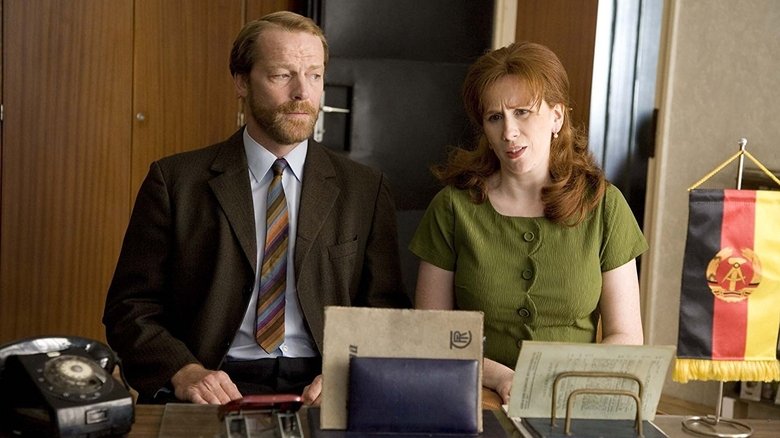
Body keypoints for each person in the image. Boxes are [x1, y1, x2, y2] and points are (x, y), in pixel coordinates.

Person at [103, 11, 409, 406]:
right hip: (210, 383)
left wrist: (349, 373)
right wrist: (183, 371)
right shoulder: (175, 181)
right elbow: (130, 308)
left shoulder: (364, 189)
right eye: (282, 75)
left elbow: (386, 312)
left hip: (323, 385)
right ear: (241, 82)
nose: (302, 92)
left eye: (315, 75)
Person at [409, 41, 647, 404]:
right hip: (473, 397)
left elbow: (626, 337)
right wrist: (499, 376)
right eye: (495, 117)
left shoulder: (604, 205)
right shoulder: (452, 207)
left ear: (557, 117)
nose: (508, 132)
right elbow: (431, 333)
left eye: (522, 112)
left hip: (570, 399)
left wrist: (556, 381)